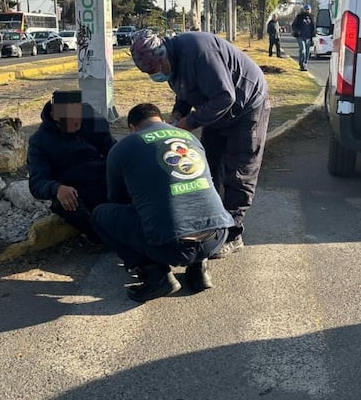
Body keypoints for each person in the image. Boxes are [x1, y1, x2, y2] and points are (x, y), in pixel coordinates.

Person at [130, 29, 269, 259]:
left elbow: (225, 96)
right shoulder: (171, 63)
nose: (155, 75)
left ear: (163, 55)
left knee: (239, 171)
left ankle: (233, 234)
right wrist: (178, 113)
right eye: (149, 73)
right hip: (215, 107)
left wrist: (189, 122)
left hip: (247, 105)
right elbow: (185, 90)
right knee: (207, 165)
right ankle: (211, 223)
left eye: (155, 70)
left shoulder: (201, 52)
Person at [92, 103, 234, 302]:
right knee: (195, 201)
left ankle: (156, 276)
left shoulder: (124, 146)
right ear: (162, 120)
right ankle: (199, 269)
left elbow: (117, 199)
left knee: (101, 214)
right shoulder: (190, 137)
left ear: (132, 127)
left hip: (173, 247)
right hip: (217, 236)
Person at [27, 90, 115, 241]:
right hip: (75, 191)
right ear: (55, 116)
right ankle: (101, 237)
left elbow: (112, 148)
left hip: (104, 181)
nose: (77, 121)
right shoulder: (39, 141)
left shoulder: (90, 118)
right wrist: (57, 188)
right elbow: (36, 183)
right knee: (66, 204)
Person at [291, 4, 316, 71]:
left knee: (307, 52)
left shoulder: (312, 17)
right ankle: (301, 64)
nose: (307, 10)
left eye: (308, 9)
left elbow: (313, 27)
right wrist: (297, 31)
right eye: (306, 9)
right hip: (300, 37)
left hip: (308, 37)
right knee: (303, 50)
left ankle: (305, 64)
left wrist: (313, 35)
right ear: (304, 10)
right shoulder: (299, 17)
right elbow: (293, 25)